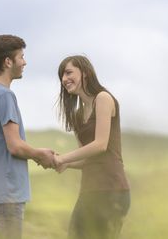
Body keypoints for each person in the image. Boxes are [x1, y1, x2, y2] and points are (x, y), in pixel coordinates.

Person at [0, 34, 56, 239]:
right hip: (7, 192)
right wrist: (41, 154)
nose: (24, 62)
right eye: (21, 57)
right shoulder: (4, 95)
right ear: (8, 61)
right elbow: (15, 146)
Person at [54, 55, 130, 239]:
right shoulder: (78, 115)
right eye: (62, 76)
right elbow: (87, 158)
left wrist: (64, 158)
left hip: (111, 190)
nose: (64, 79)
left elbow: (100, 144)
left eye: (68, 72)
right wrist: (66, 163)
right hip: (89, 191)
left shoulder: (103, 98)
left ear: (85, 73)